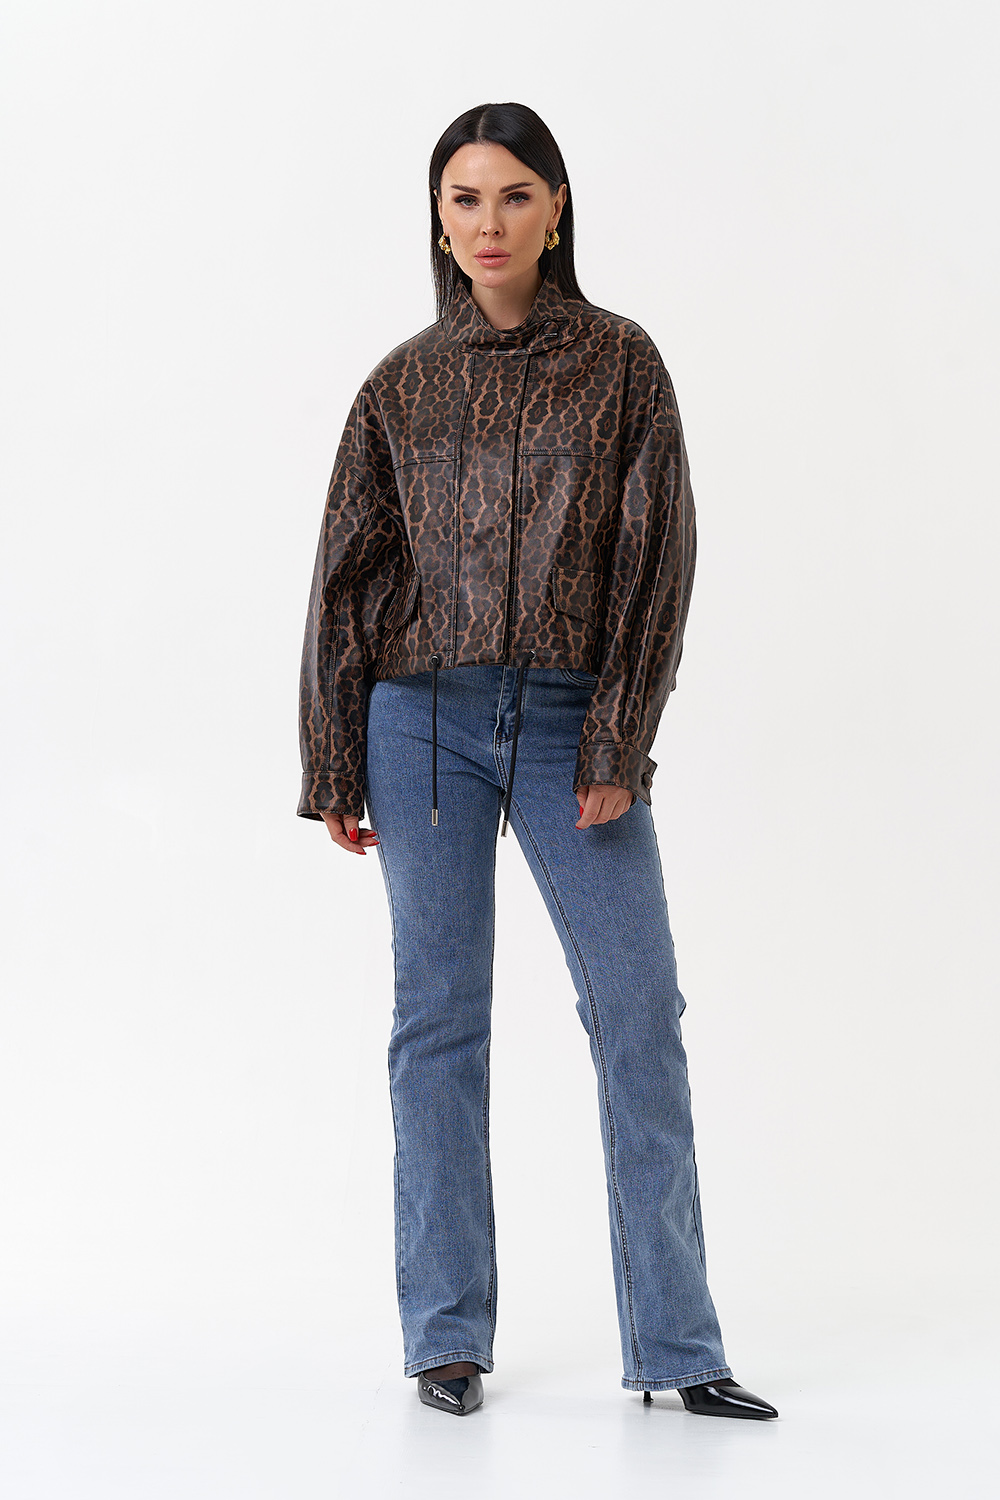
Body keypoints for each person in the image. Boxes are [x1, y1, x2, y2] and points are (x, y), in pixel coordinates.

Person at [298, 102, 778, 1422]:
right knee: (438, 1022)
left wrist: (619, 734)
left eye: (515, 195)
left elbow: (658, 555)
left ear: (557, 208)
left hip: (573, 718)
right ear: (438, 219)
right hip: (420, 723)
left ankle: (678, 1348)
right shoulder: (399, 384)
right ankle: (444, 1337)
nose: (490, 223)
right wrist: (335, 758)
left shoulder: (622, 363)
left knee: (639, 1015)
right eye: (465, 199)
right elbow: (348, 575)